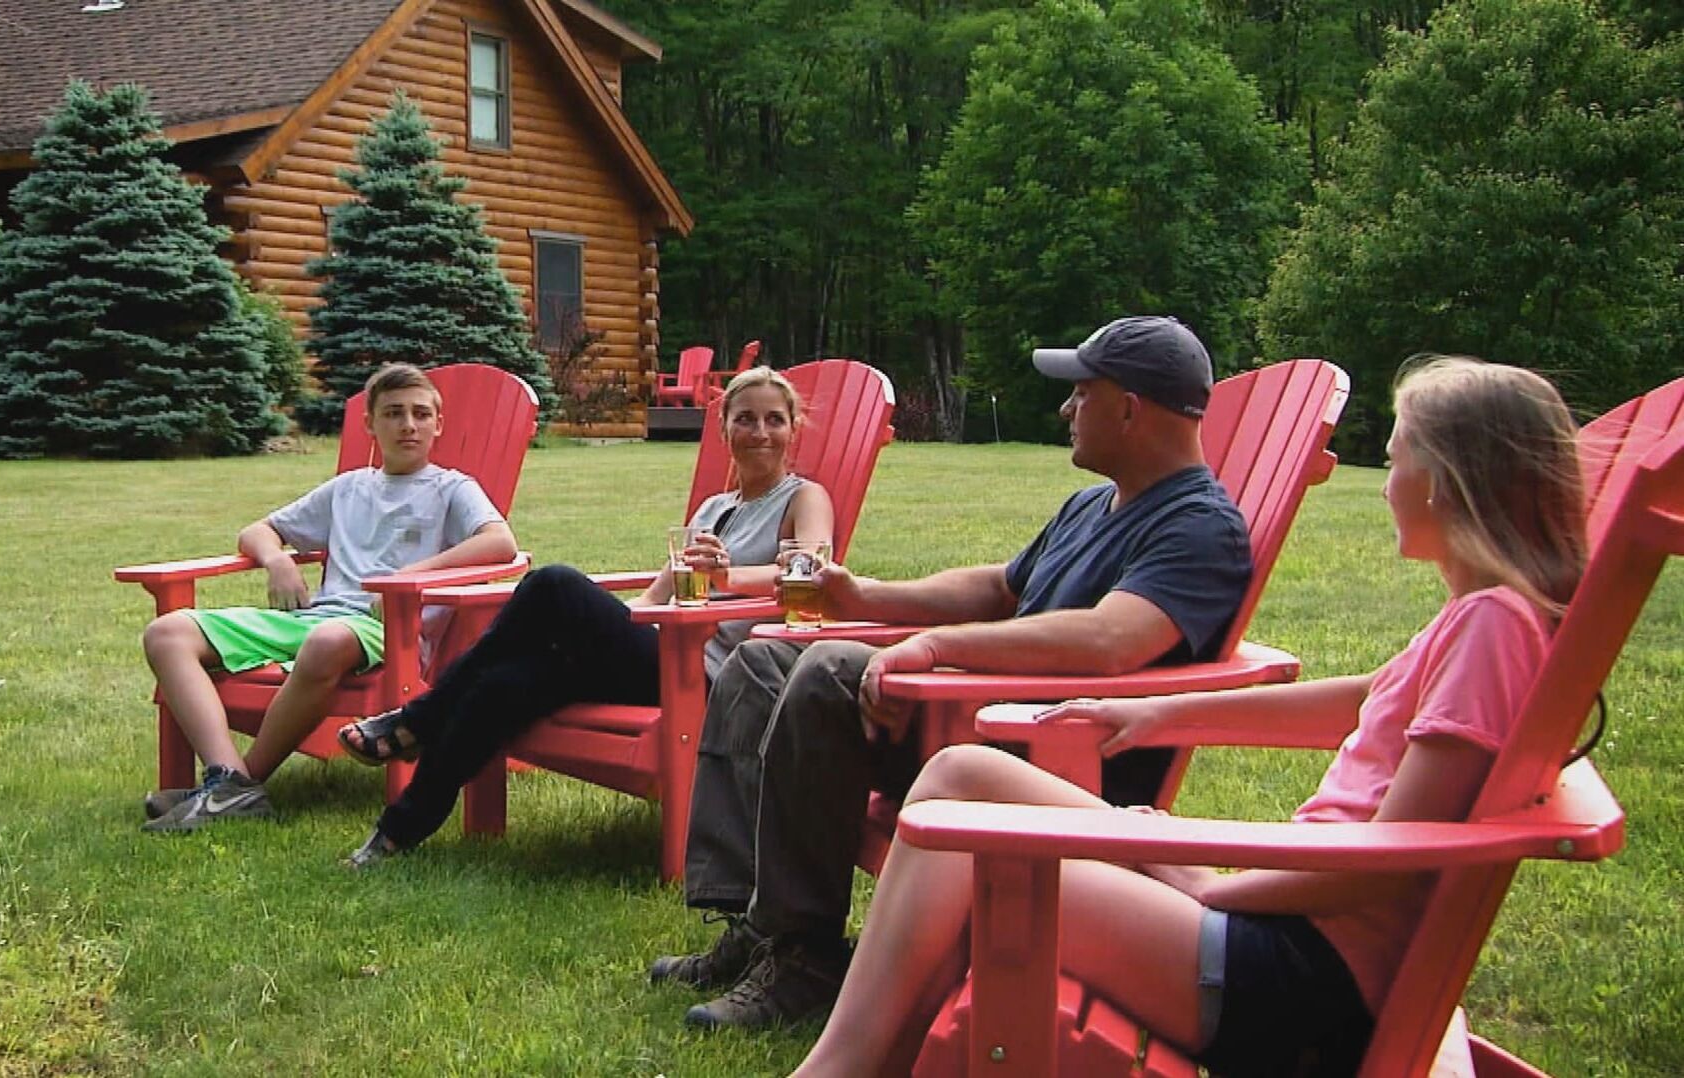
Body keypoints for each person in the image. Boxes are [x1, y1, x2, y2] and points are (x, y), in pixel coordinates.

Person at [791, 356, 1588, 1076]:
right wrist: (1162, 715)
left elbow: (1382, 861)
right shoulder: (1482, 618)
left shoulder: (1492, 627)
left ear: (1445, 480)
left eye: (1395, 460)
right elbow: (1356, 701)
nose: (1383, 483)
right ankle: (871, 1058)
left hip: (1287, 975)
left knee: (968, 849)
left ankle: (838, 1069)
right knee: (962, 774)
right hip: (1287, 931)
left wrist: (1216, 888)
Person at [652, 315, 1255, 1030]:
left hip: (1047, 758)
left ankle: (805, 958)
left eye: (1080, 393)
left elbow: (1110, 640)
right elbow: (1000, 587)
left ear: (1130, 406)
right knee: (760, 658)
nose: (1065, 409)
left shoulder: (1197, 526)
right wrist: (866, 595)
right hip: (972, 719)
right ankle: (753, 927)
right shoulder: (1095, 504)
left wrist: (935, 649)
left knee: (827, 670)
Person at [338, 366, 836, 866]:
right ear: (725, 428)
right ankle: (396, 833)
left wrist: (729, 579)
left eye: (775, 420)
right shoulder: (712, 510)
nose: (761, 432)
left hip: (711, 676)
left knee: (554, 584)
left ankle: (417, 720)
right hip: (659, 656)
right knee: (505, 684)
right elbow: (653, 601)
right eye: (746, 419)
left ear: (794, 428)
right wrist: (596, 629)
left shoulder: (803, 497)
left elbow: (808, 569)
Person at [140, 363, 518, 833]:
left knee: (324, 640)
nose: (408, 425)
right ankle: (229, 779)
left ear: (438, 425)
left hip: (389, 630)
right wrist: (277, 560)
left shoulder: (453, 489)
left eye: (421, 414)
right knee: (167, 633)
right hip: (319, 620)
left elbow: (499, 542)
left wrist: (411, 575)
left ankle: (239, 786)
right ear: (370, 424)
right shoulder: (348, 489)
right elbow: (257, 531)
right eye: (394, 413)